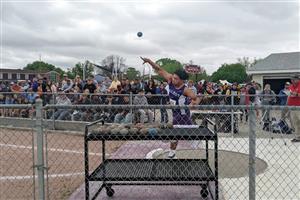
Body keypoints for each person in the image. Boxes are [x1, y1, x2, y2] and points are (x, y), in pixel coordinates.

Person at [141, 57, 200, 158]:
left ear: (182, 80)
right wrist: (149, 61)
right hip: (175, 112)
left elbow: (197, 98)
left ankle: (174, 145)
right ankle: (173, 151)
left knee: (174, 132)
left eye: (176, 78)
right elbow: (159, 69)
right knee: (179, 134)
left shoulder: (185, 90)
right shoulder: (170, 80)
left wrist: (192, 105)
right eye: (173, 77)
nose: (173, 79)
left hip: (183, 114)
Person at [288, 74, 300, 142]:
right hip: (292, 106)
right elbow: (289, 94)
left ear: (298, 79)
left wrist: (297, 94)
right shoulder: (291, 86)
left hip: (299, 106)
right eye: (291, 79)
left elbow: (295, 94)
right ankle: (298, 137)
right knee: (295, 122)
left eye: (293, 79)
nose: (292, 80)